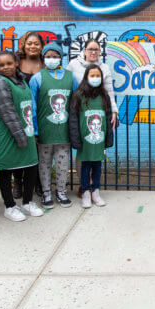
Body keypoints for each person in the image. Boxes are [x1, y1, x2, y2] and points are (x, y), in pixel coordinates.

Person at [0, 51, 43, 222]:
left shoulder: (22, 81)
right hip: (10, 135)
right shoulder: (1, 82)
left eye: (9, 63)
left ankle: (27, 202)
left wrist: (30, 133)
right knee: (7, 169)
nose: (5, 67)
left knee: (31, 166)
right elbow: (8, 112)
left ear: (16, 63)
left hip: (26, 132)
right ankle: (9, 206)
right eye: (1, 65)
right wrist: (21, 137)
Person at [66, 38, 119, 195]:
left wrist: (114, 112)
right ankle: (84, 185)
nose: (94, 52)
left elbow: (109, 91)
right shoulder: (73, 65)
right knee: (82, 151)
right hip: (80, 110)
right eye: (91, 49)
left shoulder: (104, 68)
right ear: (84, 50)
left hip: (98, 112)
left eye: (96, 49)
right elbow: (66, 85)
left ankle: (94, 185)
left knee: (96, 149)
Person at [30, 42, 78, 209]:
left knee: (63, 163)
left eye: (55, 56)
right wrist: (35, 130)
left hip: (64, 131)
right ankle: (46, 192)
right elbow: (32, 105)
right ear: (43, 58)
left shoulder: (70, 77)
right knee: (44, 163)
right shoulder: (37, 78)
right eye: (48, 56)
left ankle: (61, 191)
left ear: (60, 57)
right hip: (45, 130)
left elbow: (76, 101)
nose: (52, 59)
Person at [69, 64, 114, 208]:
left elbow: (107, 118)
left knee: (97, 166)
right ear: (86, 77)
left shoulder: (104, 96)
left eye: (98, 76)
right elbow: (74, 118)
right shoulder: (78, 95)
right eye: (92, 75)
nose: (95, 78)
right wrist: (75, 139)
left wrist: (108, 137)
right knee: (85, 166)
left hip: (99, 141)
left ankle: (96, 192)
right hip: (84, 140)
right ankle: (86, 193)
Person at [14, 31, 44, 199]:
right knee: (21, 148)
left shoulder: (45, 63)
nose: (33, 46)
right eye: (29, 43)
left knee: (39, 151)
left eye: (36, 44)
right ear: (24, 45)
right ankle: (18, 183)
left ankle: (38, 183)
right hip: (20, 112)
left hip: (40, 112)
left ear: (41, 47)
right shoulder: (17, 62)